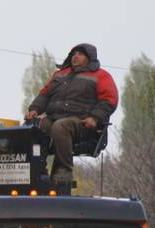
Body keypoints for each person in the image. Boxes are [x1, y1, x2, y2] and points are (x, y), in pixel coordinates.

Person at [25, 43, 118, 189]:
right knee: (35, 128)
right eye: (74, 53)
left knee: (60, 127)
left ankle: (63, 171)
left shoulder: (101, 76)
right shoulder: (60, 75)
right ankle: (38, 170)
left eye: (80, 54)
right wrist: (35, 109)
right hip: (55, 117)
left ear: (89, 58)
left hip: (82, 121)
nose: (76, 56)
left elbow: (109, 100)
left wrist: (94, 117)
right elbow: (44, 94)